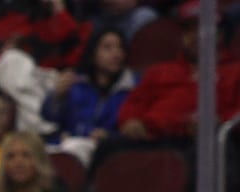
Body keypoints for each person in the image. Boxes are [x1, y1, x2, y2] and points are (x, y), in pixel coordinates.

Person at [116, 2, 240, 142]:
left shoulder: (235, 71)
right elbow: (133, 104)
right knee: (106, 148)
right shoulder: (159, 71)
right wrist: (131, 120)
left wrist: (222, 122)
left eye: (203, 28)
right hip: (153, 140)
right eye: (189, 29)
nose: (196, 36)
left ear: (220, 34)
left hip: (209, 145)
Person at [42, 25, 132, 165]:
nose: (116, 54)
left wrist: (109, 137)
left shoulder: (131, 88)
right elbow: (49, 116)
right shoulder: (77, 83)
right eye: (107, 48)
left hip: (106, 152)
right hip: (68, 143)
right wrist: (57, 96)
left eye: (120, 48)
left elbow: (132, 133)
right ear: (93, 52)